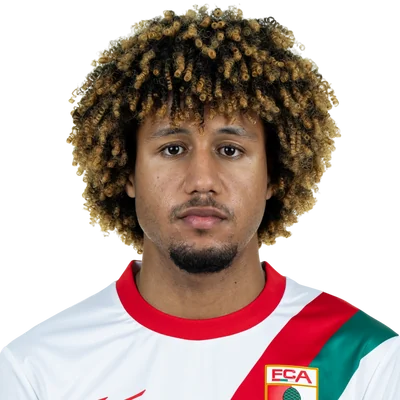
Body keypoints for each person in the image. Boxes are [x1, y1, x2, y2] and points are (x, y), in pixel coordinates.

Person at [1, 5, 399, 400]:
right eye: (173, 149)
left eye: (230, 150)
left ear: (273, 175)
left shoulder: (366, 363)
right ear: (127, 172)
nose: (202, 182)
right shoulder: (38, 367)